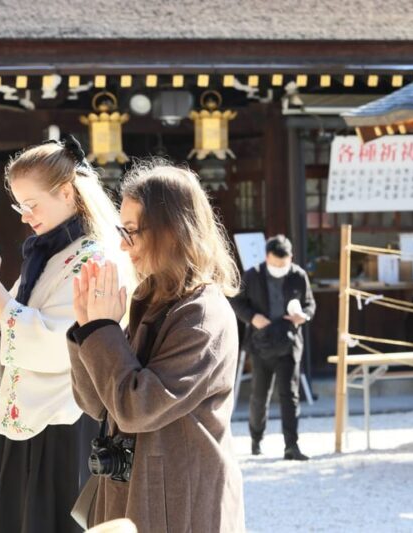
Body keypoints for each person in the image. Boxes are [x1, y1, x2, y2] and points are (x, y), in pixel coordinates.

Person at [0, 135, 132, 533]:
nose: (24, 215)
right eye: (19, 205)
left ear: (67, 193)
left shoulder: (94, 256)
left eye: (32, 204)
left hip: (64, 419)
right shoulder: (49, 254)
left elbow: (57, 345)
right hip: (29, 413)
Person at [67, 162, 245, 532]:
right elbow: (98, 404)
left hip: (180, 499)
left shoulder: (202, 314)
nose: (122, 244)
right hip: (135, 491)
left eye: (131, 231)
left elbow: (137, 407)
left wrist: (101, 329)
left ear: (172, 232)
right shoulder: (150, 298)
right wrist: (88, 328)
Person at [230, 234, 316, 461]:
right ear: (268, 257)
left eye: (285, 263)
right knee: (260, 395)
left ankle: (291, 446)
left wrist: (303, 316)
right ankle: (256, 440)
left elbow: (310, 304)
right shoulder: (253, 275)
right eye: (278, 263)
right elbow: (236, 301)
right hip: (261, 343)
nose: (282, 267)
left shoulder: (298, 275)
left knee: (290, 395)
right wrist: (253, 317)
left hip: (288, 342)